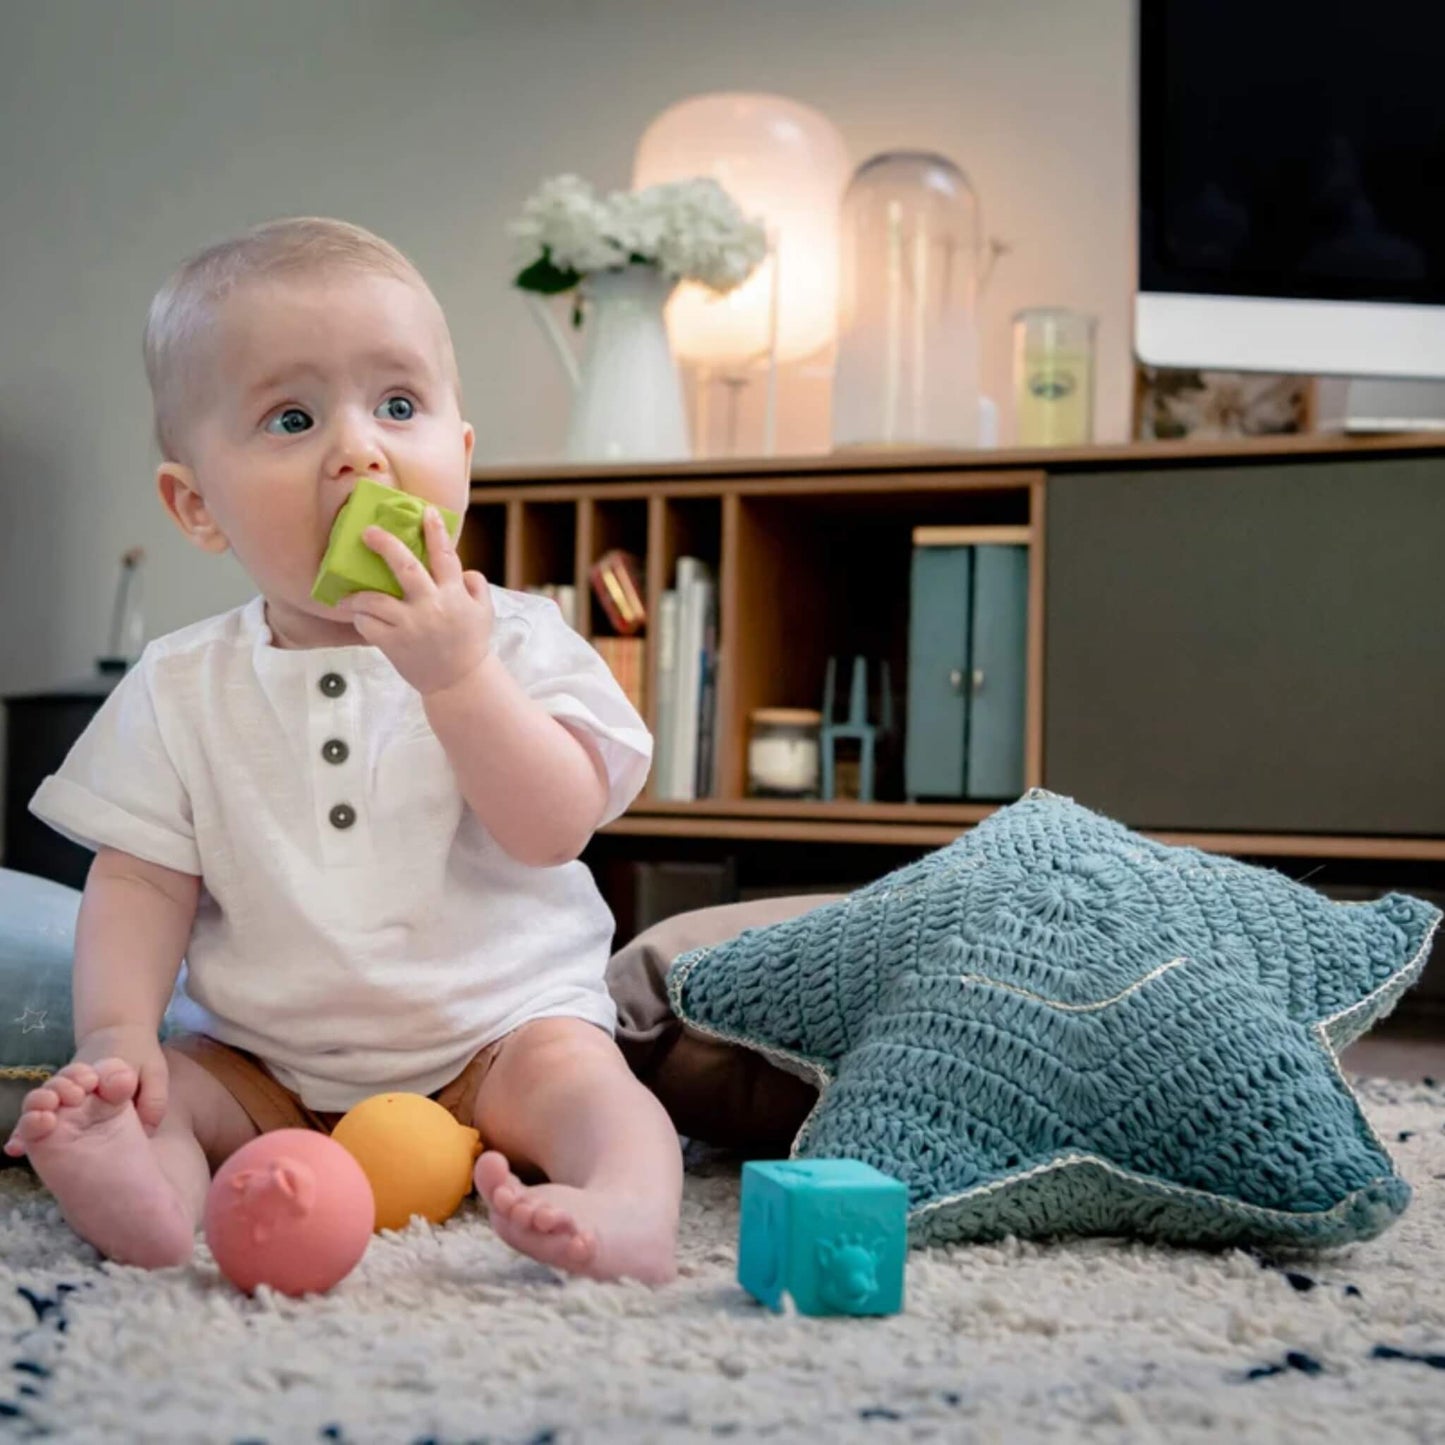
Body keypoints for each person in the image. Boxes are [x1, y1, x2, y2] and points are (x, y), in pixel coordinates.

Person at [3, 217, 681, 1285]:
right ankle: (149, 1196)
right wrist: (115, 1029)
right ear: (197, 505)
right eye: (292, 416)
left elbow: (552, 827)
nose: (360, 449)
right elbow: (137, 880)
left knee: (598, 1088)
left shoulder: (517, 639)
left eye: (399, 406)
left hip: (496, 1039)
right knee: (168, 1089)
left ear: (457, 458)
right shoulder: (182, 683)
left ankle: (626, 1207)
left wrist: (458, 679)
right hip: (265, 1059)